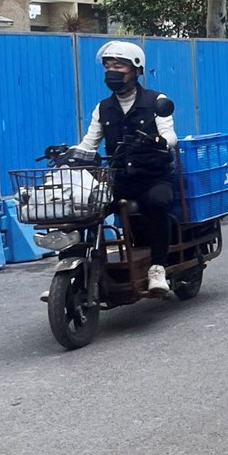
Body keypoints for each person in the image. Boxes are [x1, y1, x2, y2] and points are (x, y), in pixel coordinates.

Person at [73, 41, 179, 294]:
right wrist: (72, 153)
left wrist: (157, 141)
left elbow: (171, 136)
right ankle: (78, 271)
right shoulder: (103, 107)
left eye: (119, 65)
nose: (112, 71)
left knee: (157, 203)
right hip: (119, 180)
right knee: (82, 209)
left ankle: (157, 268)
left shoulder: (157, 101)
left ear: (137, 70)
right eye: (108, 66)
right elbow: (89, 142)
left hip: (153, 177)